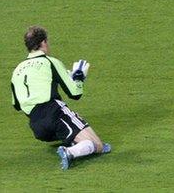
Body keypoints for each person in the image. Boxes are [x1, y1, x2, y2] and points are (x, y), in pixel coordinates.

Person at [10, 26, 111, 170]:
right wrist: (79, 78)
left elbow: (17, 105)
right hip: (55, 113)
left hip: (37, 126)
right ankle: (70, 152)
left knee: (85, 139)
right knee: (99, 146)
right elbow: (75, 93)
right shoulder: (50, 62)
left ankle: (74, 143)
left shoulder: (17, 70)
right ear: (44, 42)